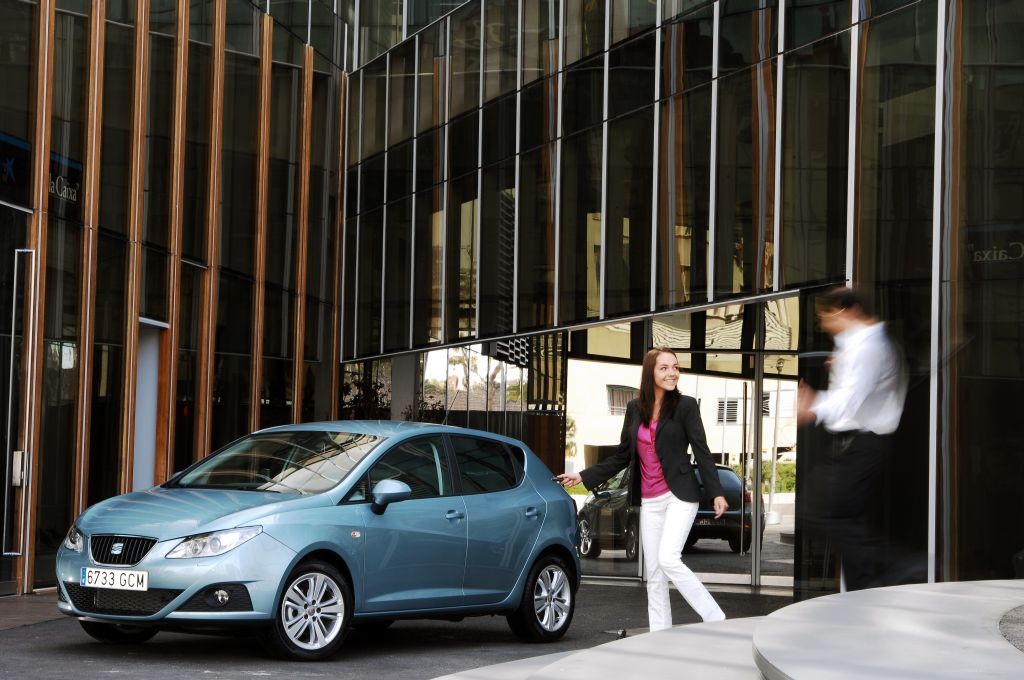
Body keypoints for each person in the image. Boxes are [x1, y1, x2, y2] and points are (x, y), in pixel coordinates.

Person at [556, 347, 728, 631]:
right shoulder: (635, 408)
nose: (672, 373)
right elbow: (622, 456)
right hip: (650, 500)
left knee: (668, 559)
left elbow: (702, 450)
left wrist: (716, 492)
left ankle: (715, 619)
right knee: (655, 572)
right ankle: (660, 632)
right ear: (651, 372)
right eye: (664, 368)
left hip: (680, 495)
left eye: (675, 367)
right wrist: (583, 475)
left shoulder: (685, 406)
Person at [797, 286, 908, 591]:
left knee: (822, 512)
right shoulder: (859, 345)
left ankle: (895, 564)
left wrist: (813, 407)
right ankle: (867, 586)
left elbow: (849, 399)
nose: (823, 324)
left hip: (863, 443)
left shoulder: (868, 347)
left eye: (826, 317)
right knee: (842, 517)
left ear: (845, 310)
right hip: (858, 442)